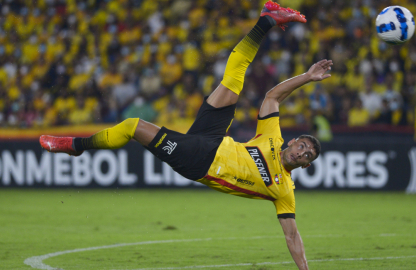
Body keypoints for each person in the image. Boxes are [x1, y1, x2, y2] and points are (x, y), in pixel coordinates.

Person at [39, 2, 333, 269]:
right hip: (214, 138)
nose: (301, 153)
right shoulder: (273, 139)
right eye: (303, 146)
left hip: (200, 161)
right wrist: (307, 77)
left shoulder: (284, 192)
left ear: (305, 166)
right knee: (232, 84)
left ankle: (76, 146)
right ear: (293, 141)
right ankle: (267, 20)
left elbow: (292, 236)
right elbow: (272, 98)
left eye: (307, 156)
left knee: (133, 126)